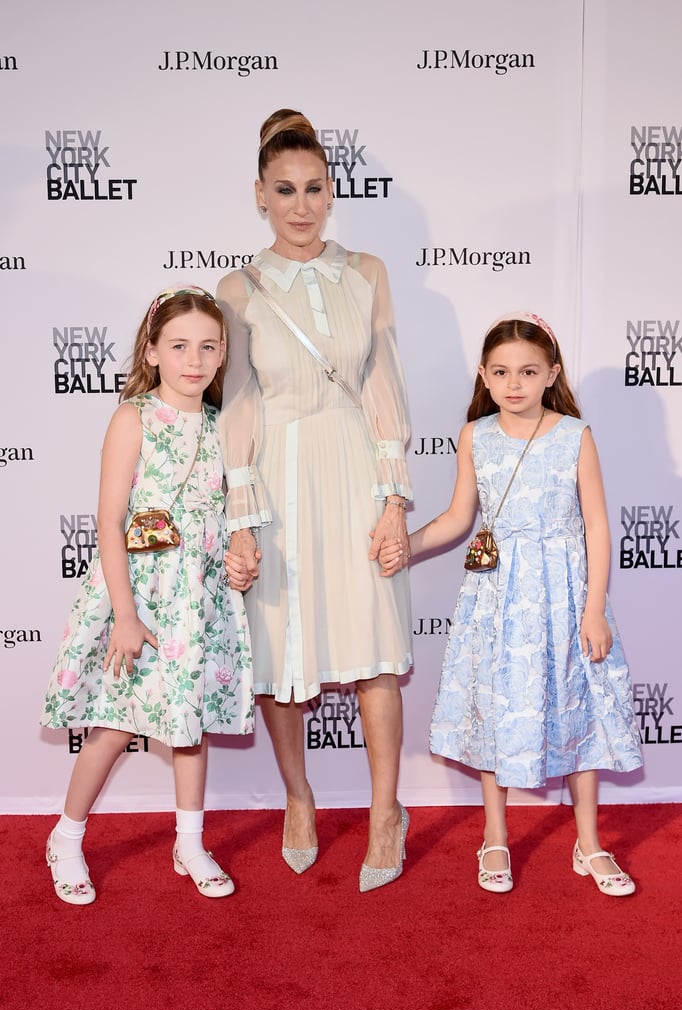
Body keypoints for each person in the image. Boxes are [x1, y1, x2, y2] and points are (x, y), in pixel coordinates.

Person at [380, 312, 643, 896]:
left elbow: (597, 527)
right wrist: (407, 544)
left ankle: (589, 843)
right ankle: (494, 835)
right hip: (497, 595)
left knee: (581, 711)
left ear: (551, 373)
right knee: (496, 708)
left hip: (566, 593)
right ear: (484, 374)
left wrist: (594, 607)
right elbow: (457, 517)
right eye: (501, 372)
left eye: (527, 370)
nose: (514, 383)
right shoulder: (476, 435)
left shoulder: (575, 435)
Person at [217, 109, 412, 893]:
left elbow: (382, 385)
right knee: (280, 660)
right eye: (285, 190)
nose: (302, 206)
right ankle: (298, 797)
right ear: (259, 194)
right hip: (279, 477)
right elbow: (238, 404)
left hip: (356, 468)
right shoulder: (238, 286)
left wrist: (394, 500)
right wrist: (240, 518)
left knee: (375, 656)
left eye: (316, 189)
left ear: (334, 192)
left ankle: (385, 811)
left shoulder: (366, 272)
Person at [41, 286, 254, 905]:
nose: (195, 359)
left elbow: (235, 514)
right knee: (112, 725)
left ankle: (189, 842)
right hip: (138, 595)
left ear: (222, 356)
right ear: (153, 351)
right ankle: (67, 835)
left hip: (198, 599)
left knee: (188, 729)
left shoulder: (225, 425)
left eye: (208, 347)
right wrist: (126, 615)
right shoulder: (133, 416)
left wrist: (240, 559)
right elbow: (110, 521)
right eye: (180, 345)